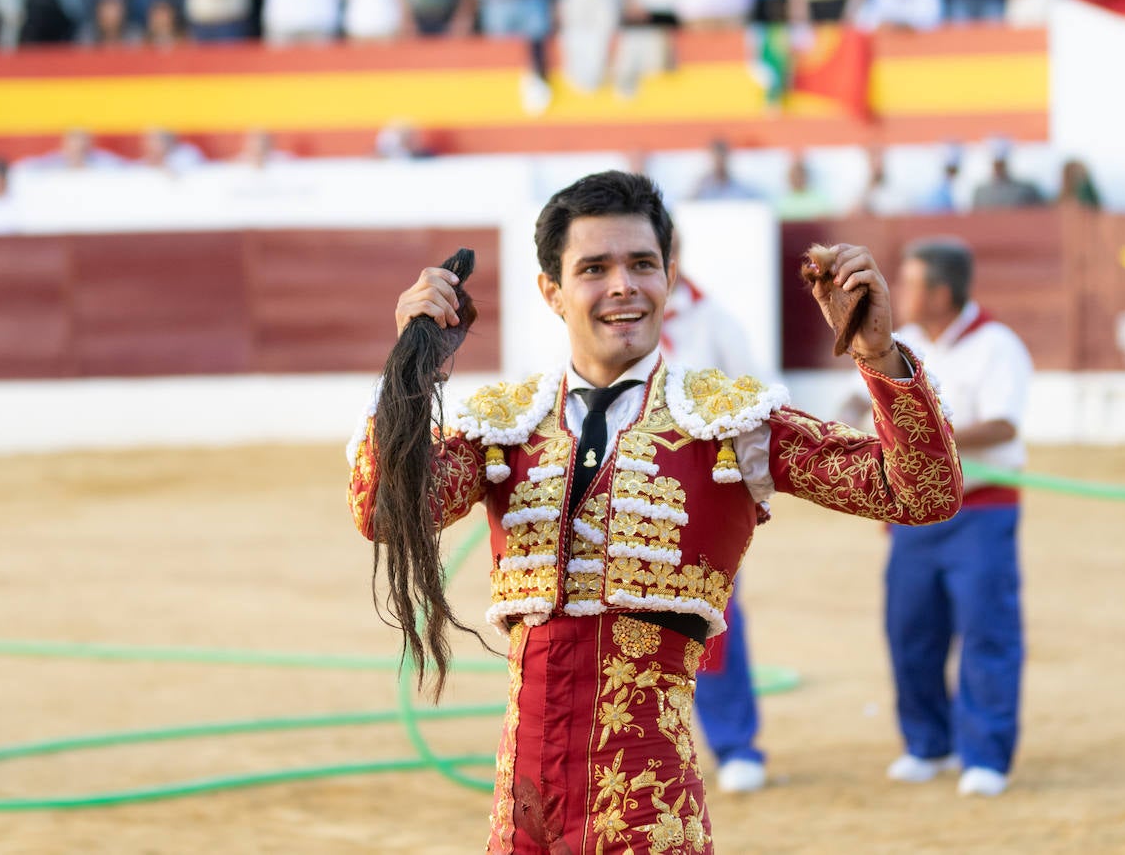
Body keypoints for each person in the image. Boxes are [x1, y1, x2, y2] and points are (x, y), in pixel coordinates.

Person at [346, 170, 964, 852]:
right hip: (520, 818)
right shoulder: (507, 424)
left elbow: (920, 493)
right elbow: (383, 511)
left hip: (650, 819)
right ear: (551, 291)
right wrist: (412, 368)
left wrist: (878, 354)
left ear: (669, 276)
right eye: (594, 268)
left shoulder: (730, 420)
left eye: (642, 264)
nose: (622, 285)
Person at [845, 237, 1031, 798]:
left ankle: (985, 755)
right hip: (915, 514)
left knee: (985, 632)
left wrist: (925, 435)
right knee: (911, 631)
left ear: (941, 293)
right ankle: (928, 743)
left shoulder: (998, 346)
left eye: (911, 282)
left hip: (981, 509)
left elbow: (1003, 426)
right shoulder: (900, 345)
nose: (900, 292)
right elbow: (854, 400)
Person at [661, 233, 772, 794]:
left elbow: (757, 407)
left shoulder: (715, 324)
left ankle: (735, 744)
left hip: (704, 499)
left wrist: (750, 494)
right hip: (624, 501)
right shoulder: (606, 325)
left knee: (716, 623)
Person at [972, 138, 1046, 209]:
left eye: (1001, 164)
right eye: (997, 164)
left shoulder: (1026, 190)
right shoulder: (980, 193)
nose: (998, 168)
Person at [690, 137, 761, 200]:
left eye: (722, 157)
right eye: (716, 158)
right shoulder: (701, 187)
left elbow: (754, 202)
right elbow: (688, 206)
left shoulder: (739, 187)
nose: (719, 162)